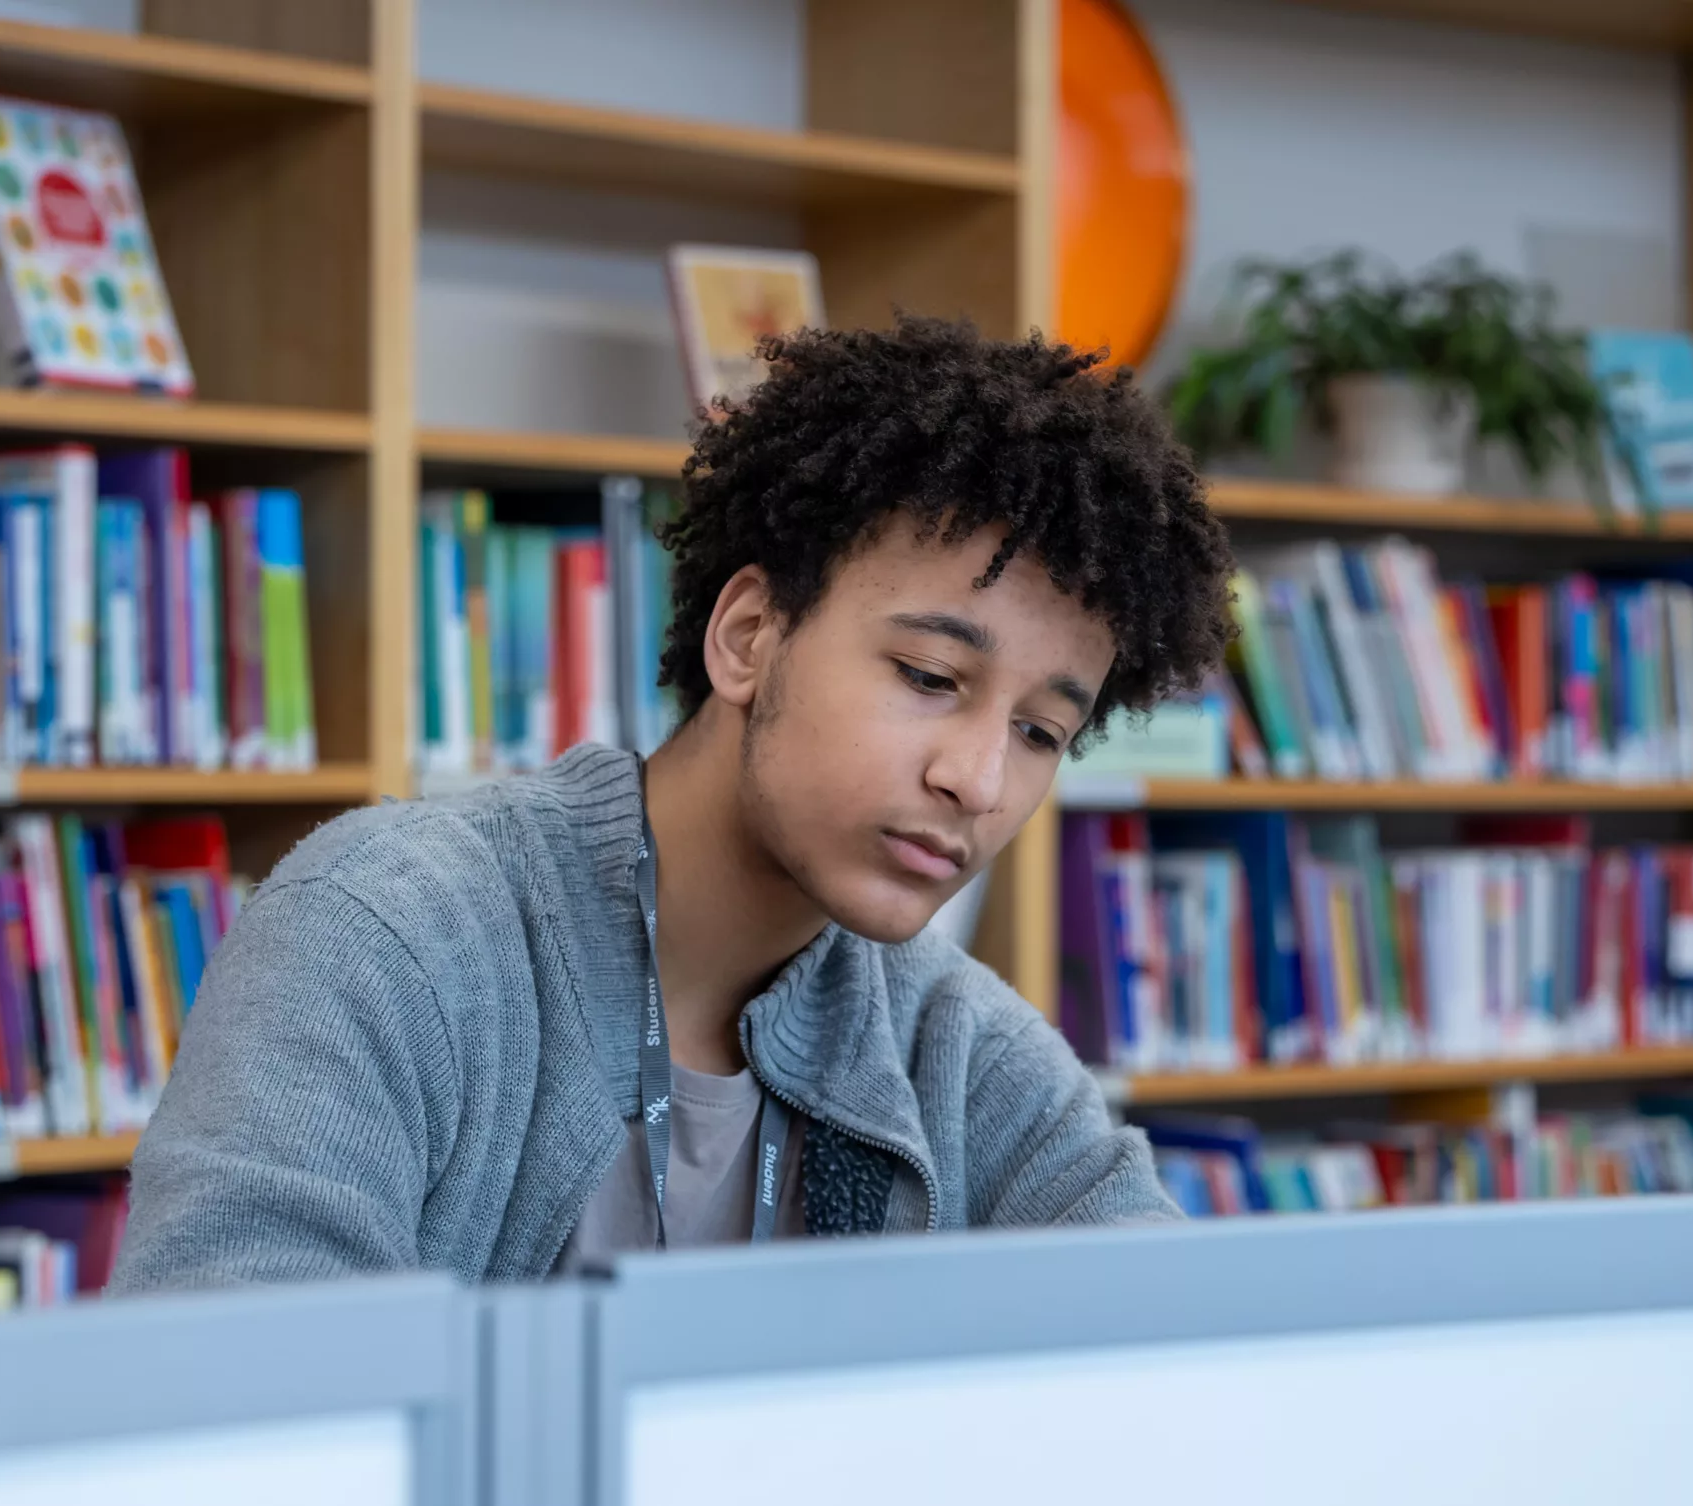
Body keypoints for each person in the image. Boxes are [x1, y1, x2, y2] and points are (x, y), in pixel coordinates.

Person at [110, 316, 1237, 1290]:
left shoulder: (945, 1043)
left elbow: (1176, 1352)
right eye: (930, 680)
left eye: (1040, 732)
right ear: (749, 637)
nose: (978, 782)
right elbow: (238, 1410)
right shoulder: (390, 932)